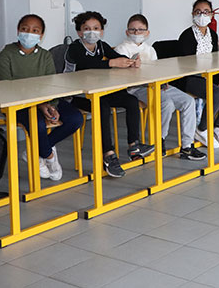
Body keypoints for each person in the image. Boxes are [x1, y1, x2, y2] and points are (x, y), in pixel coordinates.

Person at [0, 14, 84, 181]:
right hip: (17, 105)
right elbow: (8, 87)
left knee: (75, 118)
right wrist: (41, 105)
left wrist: (51, 105)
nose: (29, 33)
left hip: (44, 100)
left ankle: (34, 151)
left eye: (35, 30)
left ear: (41, 35)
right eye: (25, 29)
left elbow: (51, 84)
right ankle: (48, 155)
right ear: (18, 31)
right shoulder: (6, 54)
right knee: (38, 122)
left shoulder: (45, 56)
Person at [65, 11, 154, 178]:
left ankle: (134, 146)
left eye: (96, 28)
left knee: (131, 100)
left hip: (99, 91)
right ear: (79, 32)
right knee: (102, 107)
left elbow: (117, 56)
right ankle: (109, 154)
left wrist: (130, 61)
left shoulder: (102, 45)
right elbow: (86, 65)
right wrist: (112, 63)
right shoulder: (74, 48)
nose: (92, 32)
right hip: (78, 95)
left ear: (102, 31)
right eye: (87, 28)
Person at [114, 14, 205, 161]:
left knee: (188, 101)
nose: (137, 33)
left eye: (141, 30)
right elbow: (121, 75)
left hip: (158, 85)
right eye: (133, 30)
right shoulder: (121, 49)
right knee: (166, 104)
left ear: (147, 33)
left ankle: (187, 146)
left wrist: (163, 81)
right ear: (127, 32)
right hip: (138, 88)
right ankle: (159, 139)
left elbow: (158, 70)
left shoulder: (150, 50)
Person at [170, 0, 219, 148]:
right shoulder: (186, 36)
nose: (202, 15)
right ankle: (202, 129)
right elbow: (186, 65)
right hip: (190, 77)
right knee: (217, 94)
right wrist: (209, 77)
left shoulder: (213, 35)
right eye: (198, 12)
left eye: (206, 12)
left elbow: (216, 60)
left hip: (210, 75)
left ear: (211, 15)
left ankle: (217, 126)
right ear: (192, 14)